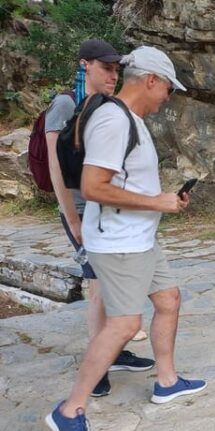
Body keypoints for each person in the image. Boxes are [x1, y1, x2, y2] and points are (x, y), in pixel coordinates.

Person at [45, 46, 207, 431]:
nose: (167, 97)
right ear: (150, 80)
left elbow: (126, 183)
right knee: (122, 324)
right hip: (118, 243)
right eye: (168, 88)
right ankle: (70, 409)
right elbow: (94, 187)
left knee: (168, 300)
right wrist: (159, 204)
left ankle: (166, 381)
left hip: (141, 238)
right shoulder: (113, 121)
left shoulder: (130, 119)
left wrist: (164, 200)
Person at [44, 39, 152, 398]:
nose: (112, 75)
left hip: (101, 208)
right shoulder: (65, 104)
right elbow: (54, 165)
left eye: (116, 70)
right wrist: (71, 217)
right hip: (81, 207)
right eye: (106, 68)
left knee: (105, 288)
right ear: (85, 65)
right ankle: (99, 361)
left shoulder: (104, 107)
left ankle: (113, 353)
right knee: (97, 289)